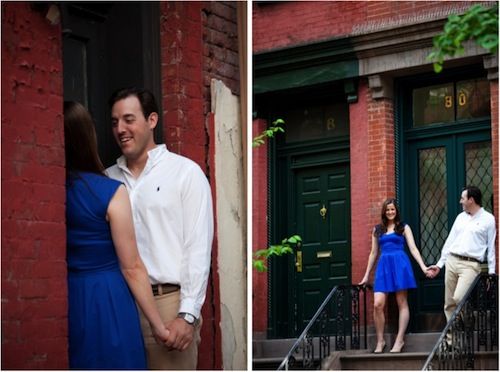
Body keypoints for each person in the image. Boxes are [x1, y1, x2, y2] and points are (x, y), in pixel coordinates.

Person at [105, 87, 214, 370]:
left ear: (152, 120)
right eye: (115, 122)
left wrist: (187, 315)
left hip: (167, 304)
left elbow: (198, 248)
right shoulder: (107, 179)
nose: (120, 129)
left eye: (129, 119)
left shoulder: (185, 173)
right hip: (119, 306)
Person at [64, 101, 169, 369]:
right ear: (87, 137)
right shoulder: (110, 191)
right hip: (108, 300)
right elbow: (132, 267)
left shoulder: (50, 191)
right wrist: (159, 326)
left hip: (70, 296)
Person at [359, 198, 428, 353]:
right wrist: (365, 276)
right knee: (378, 304)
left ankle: (399, 339)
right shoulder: (377, 229)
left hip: (400, 265)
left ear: (396, 211)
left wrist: (423, 267)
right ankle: (381, 340)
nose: (390, 212)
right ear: (384, 211)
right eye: (388, 209)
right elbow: (373, 253)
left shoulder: (403, 227)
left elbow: (413, 249)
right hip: (384, 266)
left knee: (402, 302)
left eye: (393, 209)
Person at [426, 186, 496, 323]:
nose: (460, 201)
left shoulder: (488, 219)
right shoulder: (460, 217)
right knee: (449, 304)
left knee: (459, 298)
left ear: (471, 200)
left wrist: (491, 273)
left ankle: (468, 321)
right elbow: (450, 242)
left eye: (463, 198)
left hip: (470, 265)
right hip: (452, 260)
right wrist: (440, 264)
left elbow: (491, 247)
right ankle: (453, 340)